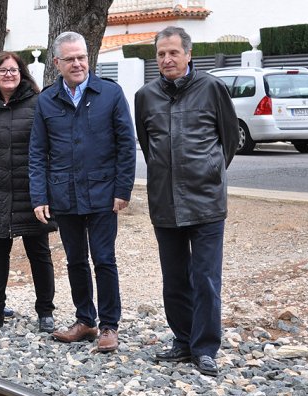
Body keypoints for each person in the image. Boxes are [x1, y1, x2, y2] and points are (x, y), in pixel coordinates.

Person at [134, 26, 239, 376]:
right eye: (161, 54)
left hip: (206, 201)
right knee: (174, 277)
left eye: (173, 53)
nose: (167, 59)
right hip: (165, 201)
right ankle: (182, 340)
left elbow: (229, 142)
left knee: (206, 277)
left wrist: (208, 171)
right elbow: (148, 146)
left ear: (189, 54)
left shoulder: (212, 88)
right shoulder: (145, 96)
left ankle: (205, 347)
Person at [28, 31, 136, 352]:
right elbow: (37, 152)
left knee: (104, 259)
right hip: (65, 195)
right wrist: (39, 196)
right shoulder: (47, 100)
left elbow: (126, 145)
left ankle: (108, 326)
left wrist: (123, 189)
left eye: (82, 57)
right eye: (70, 59)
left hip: (103, 193)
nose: (78, 64)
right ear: (57, 62)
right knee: (75, 260)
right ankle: (85, 320)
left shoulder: (110, 94)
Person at [0, 52, 57, 332]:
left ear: (22, 74)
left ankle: (45, 312)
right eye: (3, 70)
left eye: (14, 70)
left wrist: (45, 191)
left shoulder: (38, 103)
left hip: (31, 193)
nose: (9, 74)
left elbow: (49, 149)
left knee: (39, 254)